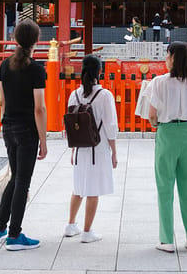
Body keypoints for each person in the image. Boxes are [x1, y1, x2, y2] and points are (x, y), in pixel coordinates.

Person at [0, 20, 48, 251]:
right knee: (23, 181)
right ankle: (14, 235)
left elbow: (2, 100)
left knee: (16, 177)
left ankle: (0, 227)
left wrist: (8, 120)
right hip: (27, 129)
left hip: (9, 126)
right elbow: (39, 108)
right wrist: (43, 140)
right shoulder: (36, 69)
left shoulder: (5, 66)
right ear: (37, 41)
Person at [148, 41, 187, 253]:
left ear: (172, 57)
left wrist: (156, 125)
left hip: (167, 132)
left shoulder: (159, 82)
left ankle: (166, 240)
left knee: (165, 187)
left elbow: (152, 114)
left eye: (167, 55)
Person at [65, 55, 118, 243]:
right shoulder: (104, 95)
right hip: (98, 147)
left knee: (78, 187)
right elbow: (111, 126)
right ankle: (87, 231)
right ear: (100, 72)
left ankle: (71, 225)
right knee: (93, 190)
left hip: (80, 148)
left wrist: (72, 150)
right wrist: (114, 152)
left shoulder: (75, 94)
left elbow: (72, 126)